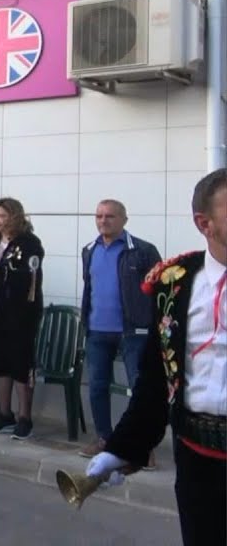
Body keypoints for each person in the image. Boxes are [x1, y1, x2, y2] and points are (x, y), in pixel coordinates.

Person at [87, 169, 227, 546]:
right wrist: (123, 448)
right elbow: (156, 379)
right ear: (205, 223)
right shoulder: (175, 283)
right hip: (197, 458)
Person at [77, 199, 161, 462]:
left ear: (124, 219)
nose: (103, 221)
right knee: (97, 387)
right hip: (97, 331)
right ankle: (104, 438)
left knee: (140, 389)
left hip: (133, 332)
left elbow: (160, 290)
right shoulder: (89, 250)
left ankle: (143, 446)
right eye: (99, 216)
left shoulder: (143, 250)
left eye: (110, 216)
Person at [0, 197, 44, 440]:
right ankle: (4, 414)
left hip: (20, 310)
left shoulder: (29, 242)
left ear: (15, 216)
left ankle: (25, 417)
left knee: (20, 361)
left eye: (1, 215)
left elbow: (28, 275)